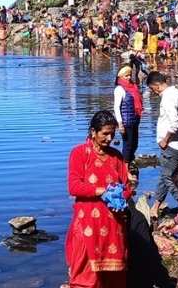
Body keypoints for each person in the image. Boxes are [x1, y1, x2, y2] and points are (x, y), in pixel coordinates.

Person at [65, 110, 133, 288]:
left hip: (113, 223)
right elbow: (74, 187)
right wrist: (102, 191)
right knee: (86, 277)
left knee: (115, 276)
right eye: (105, 133)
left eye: (112, 133)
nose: (109, 138)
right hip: (88, 223)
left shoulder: (116, 156)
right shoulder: (79, 153)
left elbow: (126, 186)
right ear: (93, 132)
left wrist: (121, 199)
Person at [147, 72, 178, 219]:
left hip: (172, 146)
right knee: (164, 175)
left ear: (156, 86)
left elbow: (174, 123)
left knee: (168, 178)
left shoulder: (167, 98)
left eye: (152, 89)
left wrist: (165, 139)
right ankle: (156, 206)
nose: (153, 92)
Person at [114, 66, 143, 164]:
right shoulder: (119, 89)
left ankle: (130, 162)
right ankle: (125, 166)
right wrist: (120, 124)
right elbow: (116, 107)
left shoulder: (133, 87)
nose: (128, 78)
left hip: (135, 119)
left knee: (135, 144)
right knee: (128, 144)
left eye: (130, 75)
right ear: (121, 76)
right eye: (126, 76)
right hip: (126, 121)